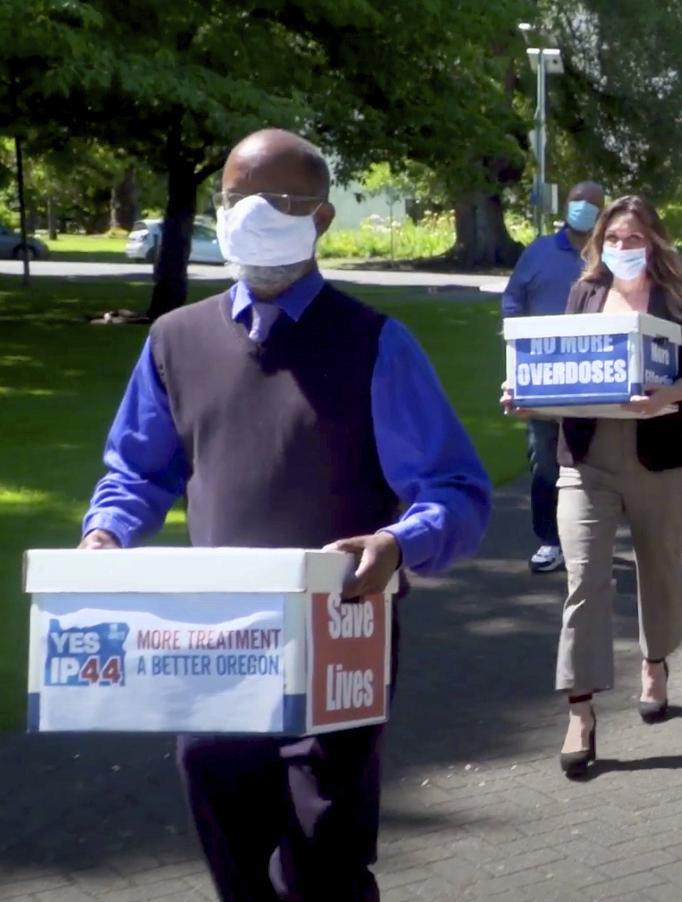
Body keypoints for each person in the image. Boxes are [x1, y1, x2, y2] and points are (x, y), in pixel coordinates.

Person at [77, 129, 492, 901]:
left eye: (282, 200)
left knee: (323, 859)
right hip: (213, 641)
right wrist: (105, 533)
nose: (254, 213)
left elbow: (456, 490)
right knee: (234, 852)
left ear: (323, 218)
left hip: (338, 635)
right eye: (238, 198)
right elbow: (135, 470)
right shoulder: (174, 341)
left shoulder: (376, 345)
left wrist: (399, 542)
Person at [501, 195, 682, 779]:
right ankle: (580, 710)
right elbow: (569, 364)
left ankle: (655, 660)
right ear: (600, 243)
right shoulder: (584, 293)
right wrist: (529, 396)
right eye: (614, 238)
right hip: (587, 458)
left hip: (663, 457)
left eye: (635, 238)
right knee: (583, 581)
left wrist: (666, 395)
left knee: (659, 568)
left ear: (655, 241)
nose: (624, 248)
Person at [502, 181, 606, 574]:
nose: (581, 207)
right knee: (544, 462)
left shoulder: (609, 255)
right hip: (544, 375)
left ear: (602, 211)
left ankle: (590, 540)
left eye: (591, 203)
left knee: (595, 464)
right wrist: (516, 341)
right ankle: (550, 542)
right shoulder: (539, 251)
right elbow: (513, 299)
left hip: (597, 376)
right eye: (576, 201)